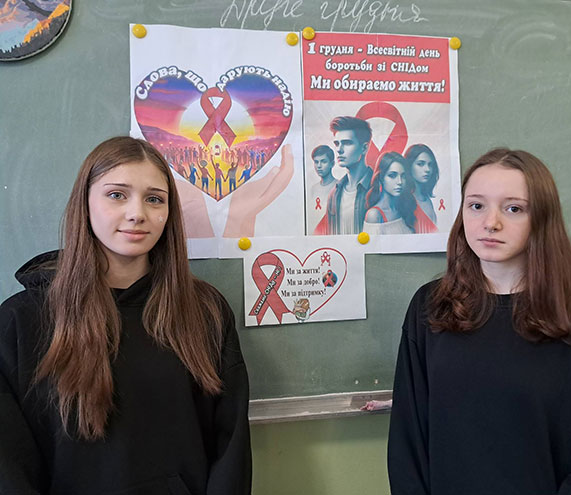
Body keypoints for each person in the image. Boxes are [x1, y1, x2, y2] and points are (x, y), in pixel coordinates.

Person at [0, 137, 251, 494]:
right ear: (85, 203)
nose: (137, 213)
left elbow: (230, 445)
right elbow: (10, 464)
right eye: (117, 195)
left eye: (154, 199)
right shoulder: (20, 322)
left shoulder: (205, 311)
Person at [388, 148, 571, 495]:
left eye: (513, 208)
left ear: (542, 218)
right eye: (476, 206)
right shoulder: (431, 308)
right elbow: (408, 443)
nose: (491, 222)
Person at [314, 116, 373, 235]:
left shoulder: (378, 187)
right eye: (337, 144)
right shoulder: (334, 193)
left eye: (347, 143)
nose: (339, 150)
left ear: (364, 148)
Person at [363, 152, 416, 235]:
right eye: (392, 176)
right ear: (381, 178)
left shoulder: (402, 208)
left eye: (403, 176)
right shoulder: (374, 215)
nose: (400, 182)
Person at [403, 144, 440, 233]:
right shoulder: (404, 201)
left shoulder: (426, 198)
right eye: (420, 164)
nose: (427, 169)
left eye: (430, 165)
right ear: (409, 165)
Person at [308, 145, 337, 232]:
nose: (319, 166)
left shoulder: (339, 187)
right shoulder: (313, 189)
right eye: (316, 162)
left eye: (323, 162)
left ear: (332, 164)